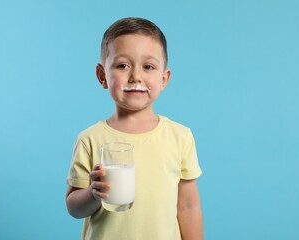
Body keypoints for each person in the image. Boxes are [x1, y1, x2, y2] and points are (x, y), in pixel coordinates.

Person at [66, 17, 203, 240]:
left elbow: (188, 207)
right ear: (102, 76)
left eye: (148, 67)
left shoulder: (180, 137)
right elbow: (74, 208)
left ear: (164, 79)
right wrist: (93, 193)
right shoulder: (90, 139)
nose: (136, 76)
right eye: (122, 66)